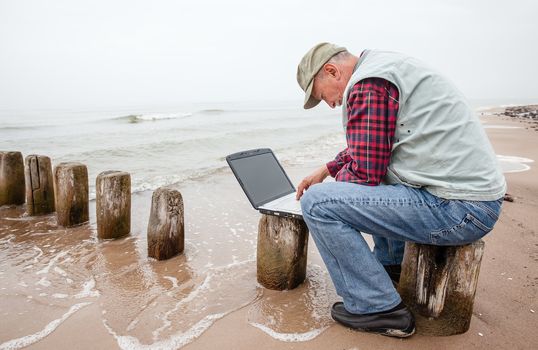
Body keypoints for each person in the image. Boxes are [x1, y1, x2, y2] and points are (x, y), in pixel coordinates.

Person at [295, 43, 506, 338]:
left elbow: (365, 173)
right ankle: (390, 270)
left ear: (331, 71)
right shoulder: (382, 68)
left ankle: (377, 308)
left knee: (317, 204)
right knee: (364, 184)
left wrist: (333, 191)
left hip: (459, 209)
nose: (331, 104)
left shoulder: (367, 85)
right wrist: (327, 169)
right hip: (472, 201)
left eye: (322, 96)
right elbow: (373, 144)